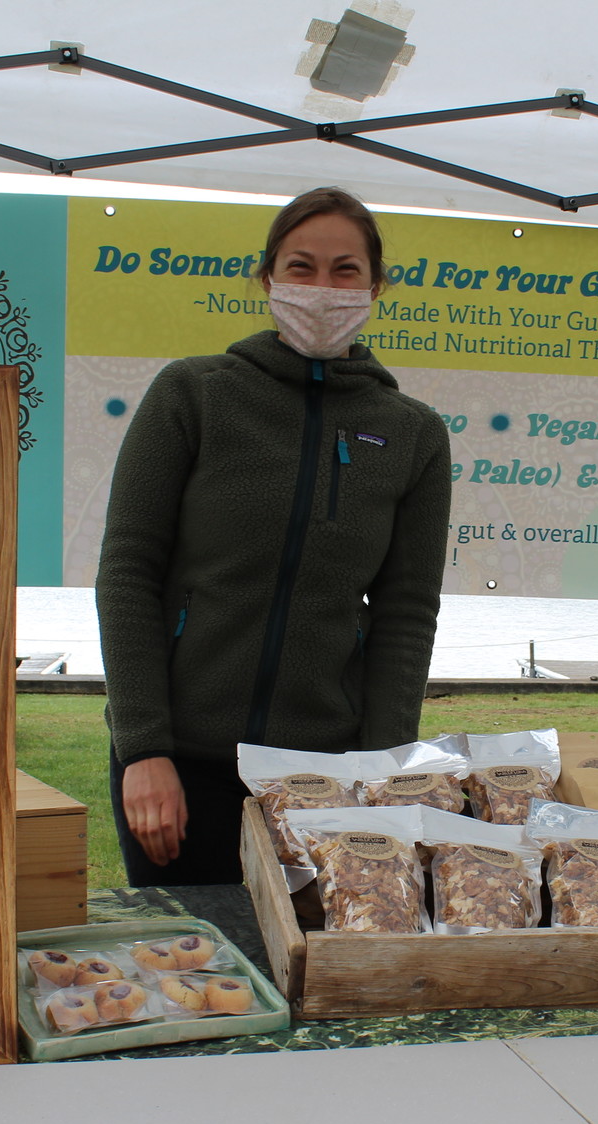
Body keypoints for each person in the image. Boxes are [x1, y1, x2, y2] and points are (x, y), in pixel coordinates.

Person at [96, 186, 452, 887]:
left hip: (322, 774)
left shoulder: (414, 434)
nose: (322, 288)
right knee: (194, 977)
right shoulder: (193, 394)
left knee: (312, 981)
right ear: (268, 279)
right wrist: (143, 747)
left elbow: (406, 615)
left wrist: (380, 774)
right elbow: (128, 571)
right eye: (301, 266)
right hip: (178, 766)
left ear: (376, 286)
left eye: (345, 270)